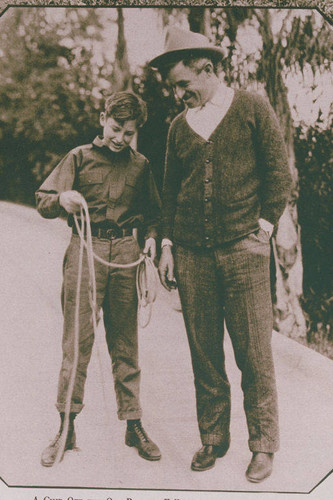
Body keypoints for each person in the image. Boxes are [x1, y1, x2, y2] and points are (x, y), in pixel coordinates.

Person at [150, 27, 292, 482]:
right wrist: (168, 245)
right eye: (174, 87)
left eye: (182, 84)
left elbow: (280, 174)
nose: (178, 94)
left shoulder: (251, 106)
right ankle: (213, 437)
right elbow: (169, 194)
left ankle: (263, 445)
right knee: (204, 353)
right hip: (191, 256)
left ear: (207, 69)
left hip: (244, 252)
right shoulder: (177, 127)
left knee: (254, 353)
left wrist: (263, 229)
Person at [36, 91, 162, 467]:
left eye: (129, 132)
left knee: (126, 344)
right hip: (84, 250)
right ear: (102, 117)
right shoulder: (78, 157)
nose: (120, 138)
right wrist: (63, 200)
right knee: (78, 342)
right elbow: (43, 198)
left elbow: (153, 214)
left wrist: (152, 239)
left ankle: (133, 423)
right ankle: (66, 426)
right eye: (115, 128)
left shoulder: (141, 166)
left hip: (125, 252)